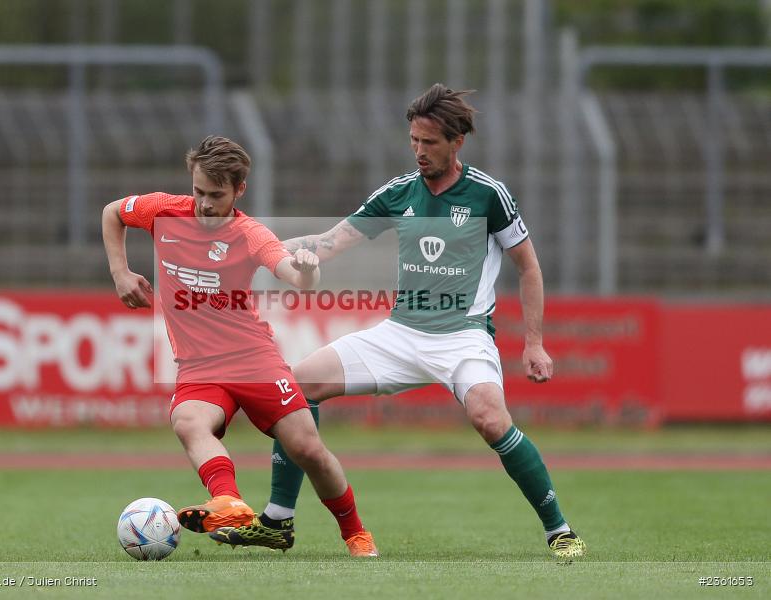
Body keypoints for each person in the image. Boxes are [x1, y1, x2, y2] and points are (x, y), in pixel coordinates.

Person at [209, 84, 586, 560]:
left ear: (456, 142)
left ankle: (560, 530)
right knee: (296, 387)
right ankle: (278, 521)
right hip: (402, 333)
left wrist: (534, 343)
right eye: (413, 140)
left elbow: (528, 267)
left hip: (463, 337)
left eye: (429, 142)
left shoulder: (489, 195)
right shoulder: (400, 192)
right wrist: (266, 247)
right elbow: (331, 240)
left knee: (490, 419)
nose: (419, 151)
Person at [101, 135, 377, 557]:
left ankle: (356, 533)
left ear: (238, 191)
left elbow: (291, 273)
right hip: (197, 365)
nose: (205, 204)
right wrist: (120, 272)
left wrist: (307, 272)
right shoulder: (164, 211)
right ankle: (227, 501)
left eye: (216, 195)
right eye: (198, 192)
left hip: (253, 359)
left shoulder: (249, 233)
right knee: (187, 420)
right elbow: (112, 213)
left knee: (308, 449)